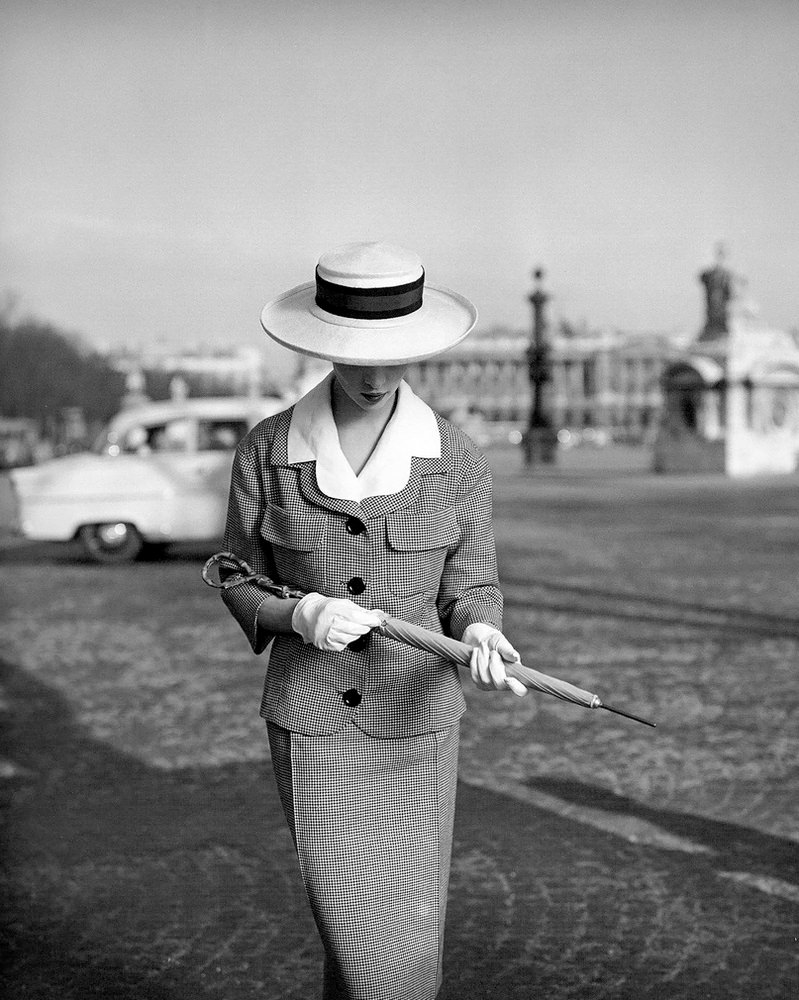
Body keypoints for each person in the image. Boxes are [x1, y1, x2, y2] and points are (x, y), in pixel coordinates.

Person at [219, 241, 526, 1000]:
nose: (377, 376)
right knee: (353, 922)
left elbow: (471, 582)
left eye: (397, 356)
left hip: (417, 722)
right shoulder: (267, 450)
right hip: (314, 724)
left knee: (399, 941)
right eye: (358, 356)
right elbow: (232, 573)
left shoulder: (454, 457)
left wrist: (481, 631)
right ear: (323, 346)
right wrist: (298, 613)